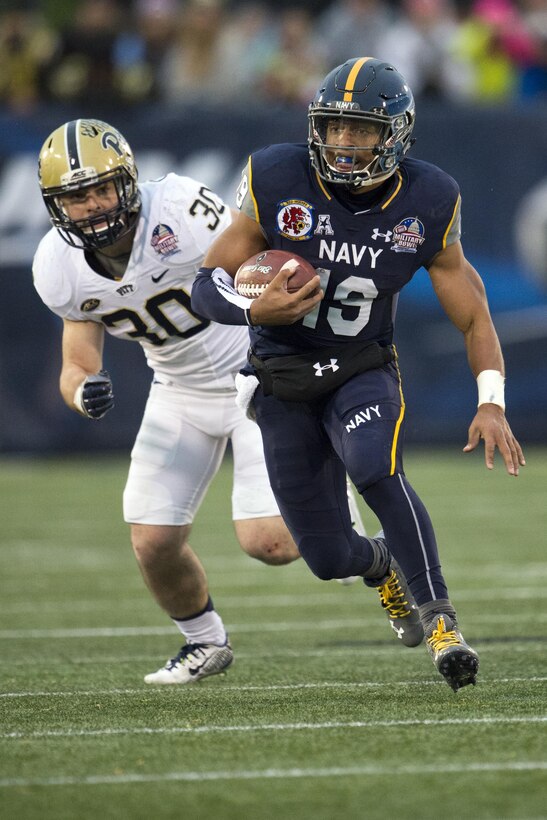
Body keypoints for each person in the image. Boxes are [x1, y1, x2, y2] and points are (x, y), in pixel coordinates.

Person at [191, 57, 525, 691]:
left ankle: (441, 621)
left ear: (395, 133)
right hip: (281, 375)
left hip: (360, 366)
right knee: (326, 557)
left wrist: (491, 401)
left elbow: (473, 312)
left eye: (362, 130)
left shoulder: (429, 198)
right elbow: (207, 282)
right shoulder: (276, 173)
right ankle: (379, 566)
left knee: (375, 465)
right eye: (334, 127)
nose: (344, 144)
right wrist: (250, 305)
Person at [32, 118, 397, 687]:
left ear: (128, 181)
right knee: (152, 541)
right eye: (77, 196)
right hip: (176, 392)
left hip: (255, 377)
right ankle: (204, 644)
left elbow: (259, 255)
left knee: (270, 544)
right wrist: (83, 390)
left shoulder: (179, 207)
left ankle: (359, 533)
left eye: (103, 187)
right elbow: (76, 358)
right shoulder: (57, 265)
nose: (95, 205)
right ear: (58, 206)